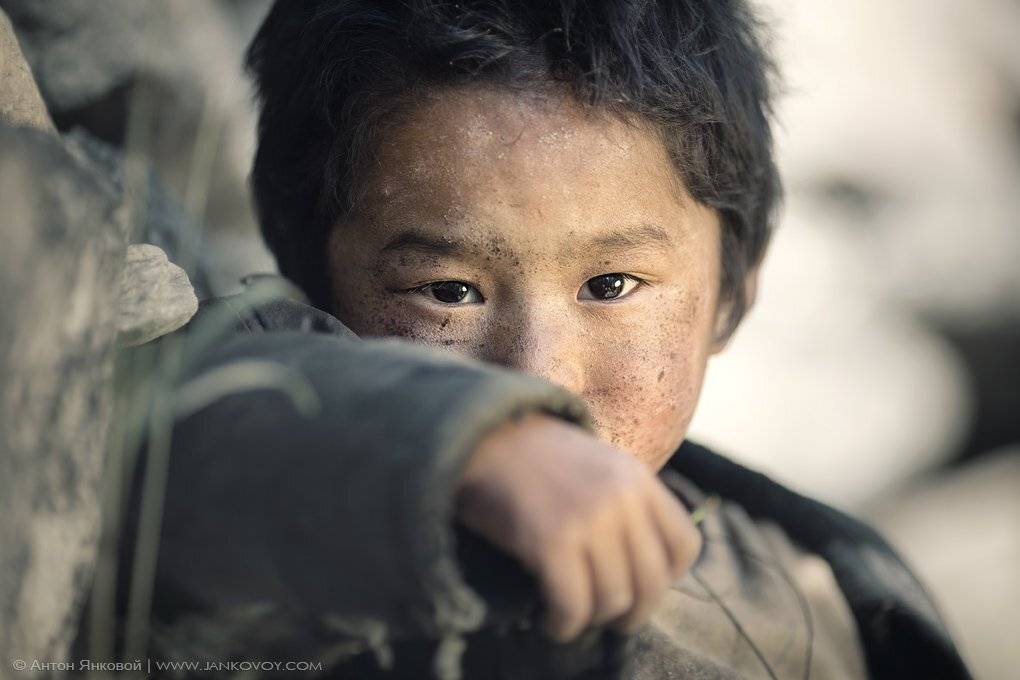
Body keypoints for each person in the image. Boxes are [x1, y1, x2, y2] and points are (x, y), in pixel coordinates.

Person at [87, 1, 972, 678]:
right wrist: (452, 443)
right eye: (448, 291)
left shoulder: (836, 590)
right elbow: (160, 446)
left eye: (612, 286)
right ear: (311, 280)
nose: (538, 372)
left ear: (734, 291)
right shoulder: (303, 521)